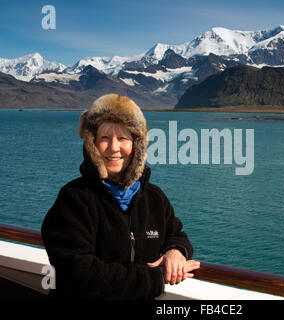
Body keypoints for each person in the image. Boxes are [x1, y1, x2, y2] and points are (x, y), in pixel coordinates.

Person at [41, 93, 200, 299]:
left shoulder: (154, 198)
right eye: (104, 138)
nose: (114, 148)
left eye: (123, 138)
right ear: (92, 144)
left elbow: (176, 234)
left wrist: (176, 252)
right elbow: (80, 273)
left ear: (137, 145)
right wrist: (154, 278)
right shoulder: (74, 199)